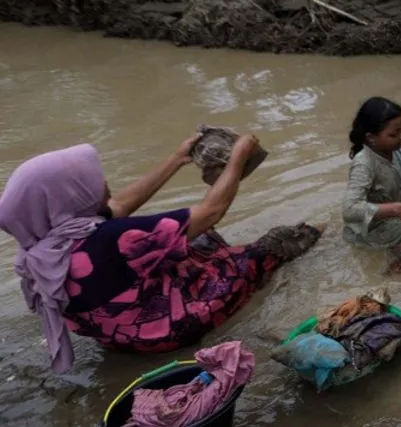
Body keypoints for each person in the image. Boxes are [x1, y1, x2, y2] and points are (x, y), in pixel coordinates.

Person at [0, 135, 322, 373]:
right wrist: (238, 157)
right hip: (168, 331)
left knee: (192, 241)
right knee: (266, 245)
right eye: (93, 181)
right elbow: (212, 211)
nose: (105, 183)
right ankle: (315, 234)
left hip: (116, 335)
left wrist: (176, 159)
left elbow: (119, 207)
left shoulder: (46, 244)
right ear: (71, 195)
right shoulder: (111, 238)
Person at [343, 97, 401, 273]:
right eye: (394, 134)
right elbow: (349, 210)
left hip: (396, 220)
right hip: (371, 231)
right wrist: (395, 209)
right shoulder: (364, 163)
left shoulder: (400, 150)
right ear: (371, 138)